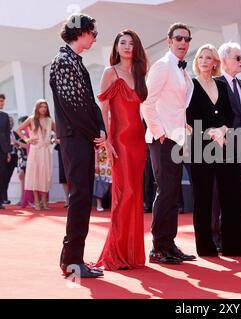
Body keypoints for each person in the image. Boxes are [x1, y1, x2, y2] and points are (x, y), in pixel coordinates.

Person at [49, 13, 105, 278]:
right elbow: (74, 106)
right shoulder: (63, 61)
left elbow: (89, 102)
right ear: (81, 32)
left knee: (82, 198)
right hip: (74, 137)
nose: (95, 38)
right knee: (80, 198)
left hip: (81, 136)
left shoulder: (75, 62)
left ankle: (72, 258)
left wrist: (101, 130)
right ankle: (72, 261)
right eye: (93, 33)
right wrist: (96, 133)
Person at [187, 44, 241, 257]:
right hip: (200, 145)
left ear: (215, 62)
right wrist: (209, 131)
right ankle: (206, 247)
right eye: (200, 57)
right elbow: (188, 116)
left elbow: (227, 114)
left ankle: (235, 245)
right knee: (203, 196)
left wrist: (223, 128)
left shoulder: (221, 86)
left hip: (224, 143)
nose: (204, 61)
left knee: (234, 192)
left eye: (208, 58)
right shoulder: (190, 85)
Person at [141, 22, 195, 264]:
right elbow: (146, 102)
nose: (183, 43)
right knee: (165, 191)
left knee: (172, 193)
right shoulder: (162, 66)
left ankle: (169, 243)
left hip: (177, 138)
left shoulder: (182, 70)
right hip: (162, 139)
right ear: (169, 41)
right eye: (179, 39)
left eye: (186, 39)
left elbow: (177, 105)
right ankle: (158, 248)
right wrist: (159, 131)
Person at [95, 29, 148, 270]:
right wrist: (106, 140)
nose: (126, 47)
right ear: (116, 47)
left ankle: (132, 253)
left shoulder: (140, 73)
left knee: (135, 194)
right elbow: (103, 109)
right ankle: (116, 253)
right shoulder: (110, 72)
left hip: (138, 140)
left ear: (136, 48)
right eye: (122, 43)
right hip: (120, 141)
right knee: (123, 194)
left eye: (130, 43)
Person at [16, 99, 55, 211]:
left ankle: (44, 202)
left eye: (45, 107)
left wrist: (52, 140)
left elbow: (58, 132)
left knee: (45, 176)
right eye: (41, 106)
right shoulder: (32, 119)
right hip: (35, 150)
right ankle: (37, 201)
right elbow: (19, 130)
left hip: (46, 151)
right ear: (37, 108)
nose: (43, 109)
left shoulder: (49, 120)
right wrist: (27, 139)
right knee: (35, 175)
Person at [0, 94, 10, 210]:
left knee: (1, 175)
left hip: (2, 149)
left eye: (2, 101)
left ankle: (0, 201)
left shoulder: (5, 116)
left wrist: (8, 151)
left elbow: (7, 134)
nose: (1, 103)